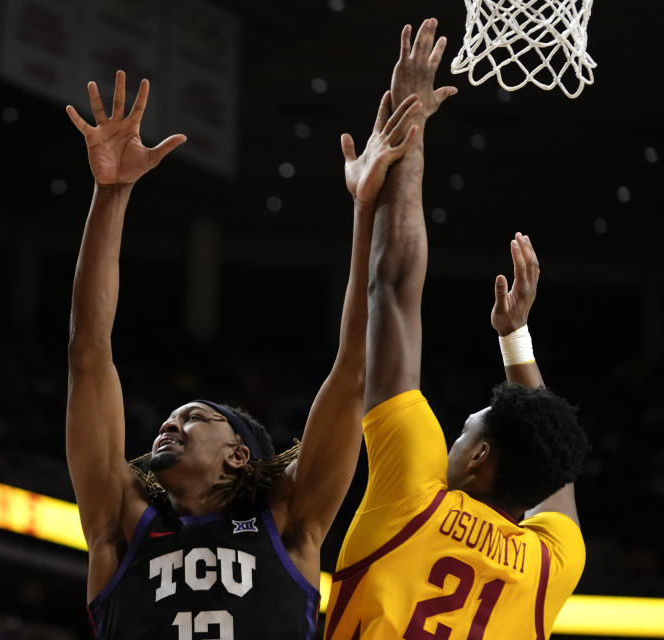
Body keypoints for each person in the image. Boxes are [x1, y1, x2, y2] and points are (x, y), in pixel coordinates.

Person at [64, 70, 420, 638]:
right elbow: (88, 350)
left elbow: (354, 371)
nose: (170, 422)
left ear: (238, 456)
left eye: (196, 418)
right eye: (178, 415)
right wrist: (111, 192)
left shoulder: (288, 522)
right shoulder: (121, 523)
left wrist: (365, 208)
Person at [324, 19, 590, 639]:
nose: (454, 439)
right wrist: (514, 340)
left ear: (480, 459)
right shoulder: (549, 567)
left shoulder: (412, 493)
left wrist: (409, 133)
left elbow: (391, 289)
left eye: (464, 433)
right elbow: (556, 477)